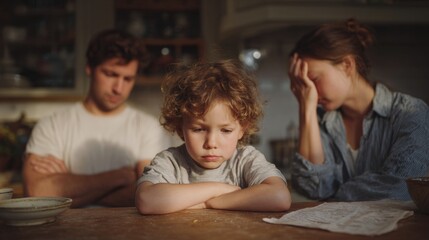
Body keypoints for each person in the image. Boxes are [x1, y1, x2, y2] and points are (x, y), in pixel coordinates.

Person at [23, 29, 169, 207]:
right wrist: (123, 176)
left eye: (128, 78)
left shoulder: (148, 127)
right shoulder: (52, 125)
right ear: (89, 68)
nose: (118, 88)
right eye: (110, 74)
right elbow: (37, 192)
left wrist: (66, 185)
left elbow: (154, 196)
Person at [288, 18, 429, 201]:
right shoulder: (321, 120)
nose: (309, 91)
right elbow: (313, 187)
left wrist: (335, 196)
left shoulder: (411, 113)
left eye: (313, 79)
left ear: (347, 65)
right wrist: (305, 107)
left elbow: (399, 187)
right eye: (302, 84)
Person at [135, 60, 291, 214]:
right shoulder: (170, 162)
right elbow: (146, 200)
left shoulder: (246, 160)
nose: (211, 143)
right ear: (180, 128)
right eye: (198, 129)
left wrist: (208, 203)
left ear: (242, 129)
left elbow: (280, 197)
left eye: (225, 130)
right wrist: (218, 189)